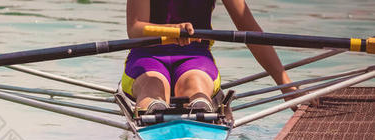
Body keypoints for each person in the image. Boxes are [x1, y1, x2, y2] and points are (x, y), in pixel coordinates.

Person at [123, 0, 297, 113]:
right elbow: (135, 29)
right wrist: (171, 31)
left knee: (195, 86)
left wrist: (286, 86)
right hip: (147, 57)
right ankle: (152, 115)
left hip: (195, 58)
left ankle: (201, 115)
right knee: (153, 86)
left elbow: (252, 33)